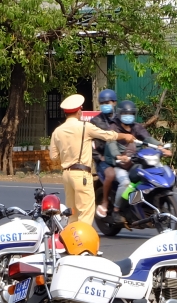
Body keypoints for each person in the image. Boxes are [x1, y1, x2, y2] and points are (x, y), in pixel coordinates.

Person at [49, 94, 133, 226]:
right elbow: (107, 135)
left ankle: (72, 242)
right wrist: (125, 136)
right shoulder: (84, 127)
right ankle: (83, 243)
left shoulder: (57, 131)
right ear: (78, 111)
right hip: (81, 174)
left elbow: (53, 157)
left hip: (66, 174)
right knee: (86, 213)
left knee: (72, 213)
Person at [98, 100, 171, 219]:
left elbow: (148, 139)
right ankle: (116, 210)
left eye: (131, 114)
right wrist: (118, 156)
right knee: (126, 183)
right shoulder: (113, 128)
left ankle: (146, 203)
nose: (128, 117)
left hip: (134, 163)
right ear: (120, 114)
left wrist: (161, 147)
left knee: (151, 176)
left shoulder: (136, 127)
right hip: (118, 165)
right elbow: (111, 144)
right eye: (126, 114)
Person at [92, 89, 121, 218]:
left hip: (121, 157)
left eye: (107, 102)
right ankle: (105, 202)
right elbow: (89, 144)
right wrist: (99, 157)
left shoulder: (121, 118)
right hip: (104, 159)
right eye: (102, 103)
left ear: (114, 102)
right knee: (111, 174)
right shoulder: (95, 122)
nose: (105, 105)